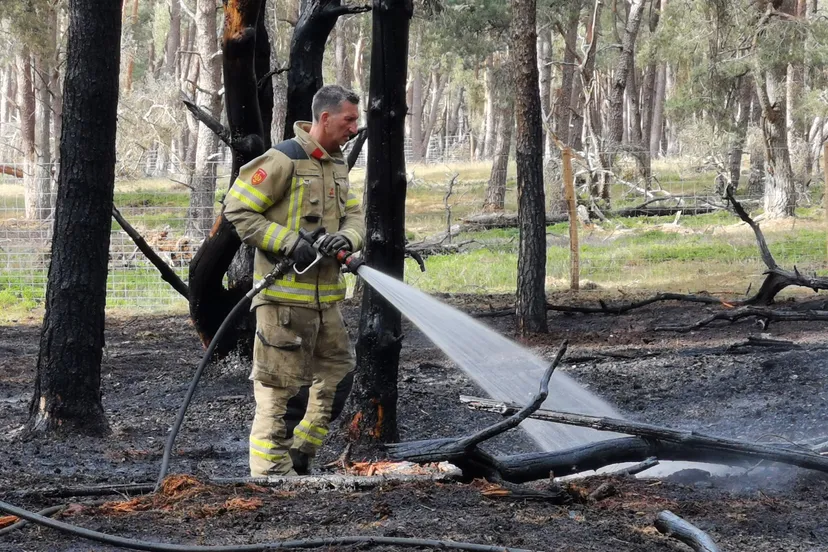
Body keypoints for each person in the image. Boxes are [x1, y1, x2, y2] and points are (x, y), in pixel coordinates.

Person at [224, 84, 365, 476]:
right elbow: (238, 210)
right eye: (349, 120)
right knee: (279, 392)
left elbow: (355, 215)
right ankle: (270, 477)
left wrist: (348, 238)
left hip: (327, 302)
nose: (355, 128)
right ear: (324, 118)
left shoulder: (337, 163)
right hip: (282, 302)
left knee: (339, 375)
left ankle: (301, 453)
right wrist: (288, 243)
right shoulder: (283, 159)